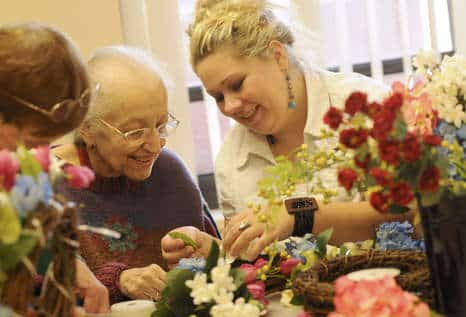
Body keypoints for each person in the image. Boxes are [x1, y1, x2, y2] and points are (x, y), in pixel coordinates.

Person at [184, 0, 414, 262]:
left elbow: (408, 215)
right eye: (217, 97)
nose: (230, 106)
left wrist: (299, 212)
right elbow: (255, 266)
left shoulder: (365, 107)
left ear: (278, 56)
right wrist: (214, 250)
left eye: (236, 85)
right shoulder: (230, 162)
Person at [53, 46, 220, 304]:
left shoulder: (170, 172)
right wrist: (118, 280)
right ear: (86, 127)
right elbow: (36, 291)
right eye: (135, 132)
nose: (156, 145)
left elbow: (220, 273)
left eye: (161, 125)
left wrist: (211, 254)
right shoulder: (44, 186)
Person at [0, 23, 109, 315]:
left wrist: (68, 266)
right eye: (34, 141)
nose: (40, 156)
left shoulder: (20, 171)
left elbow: (33, 225)